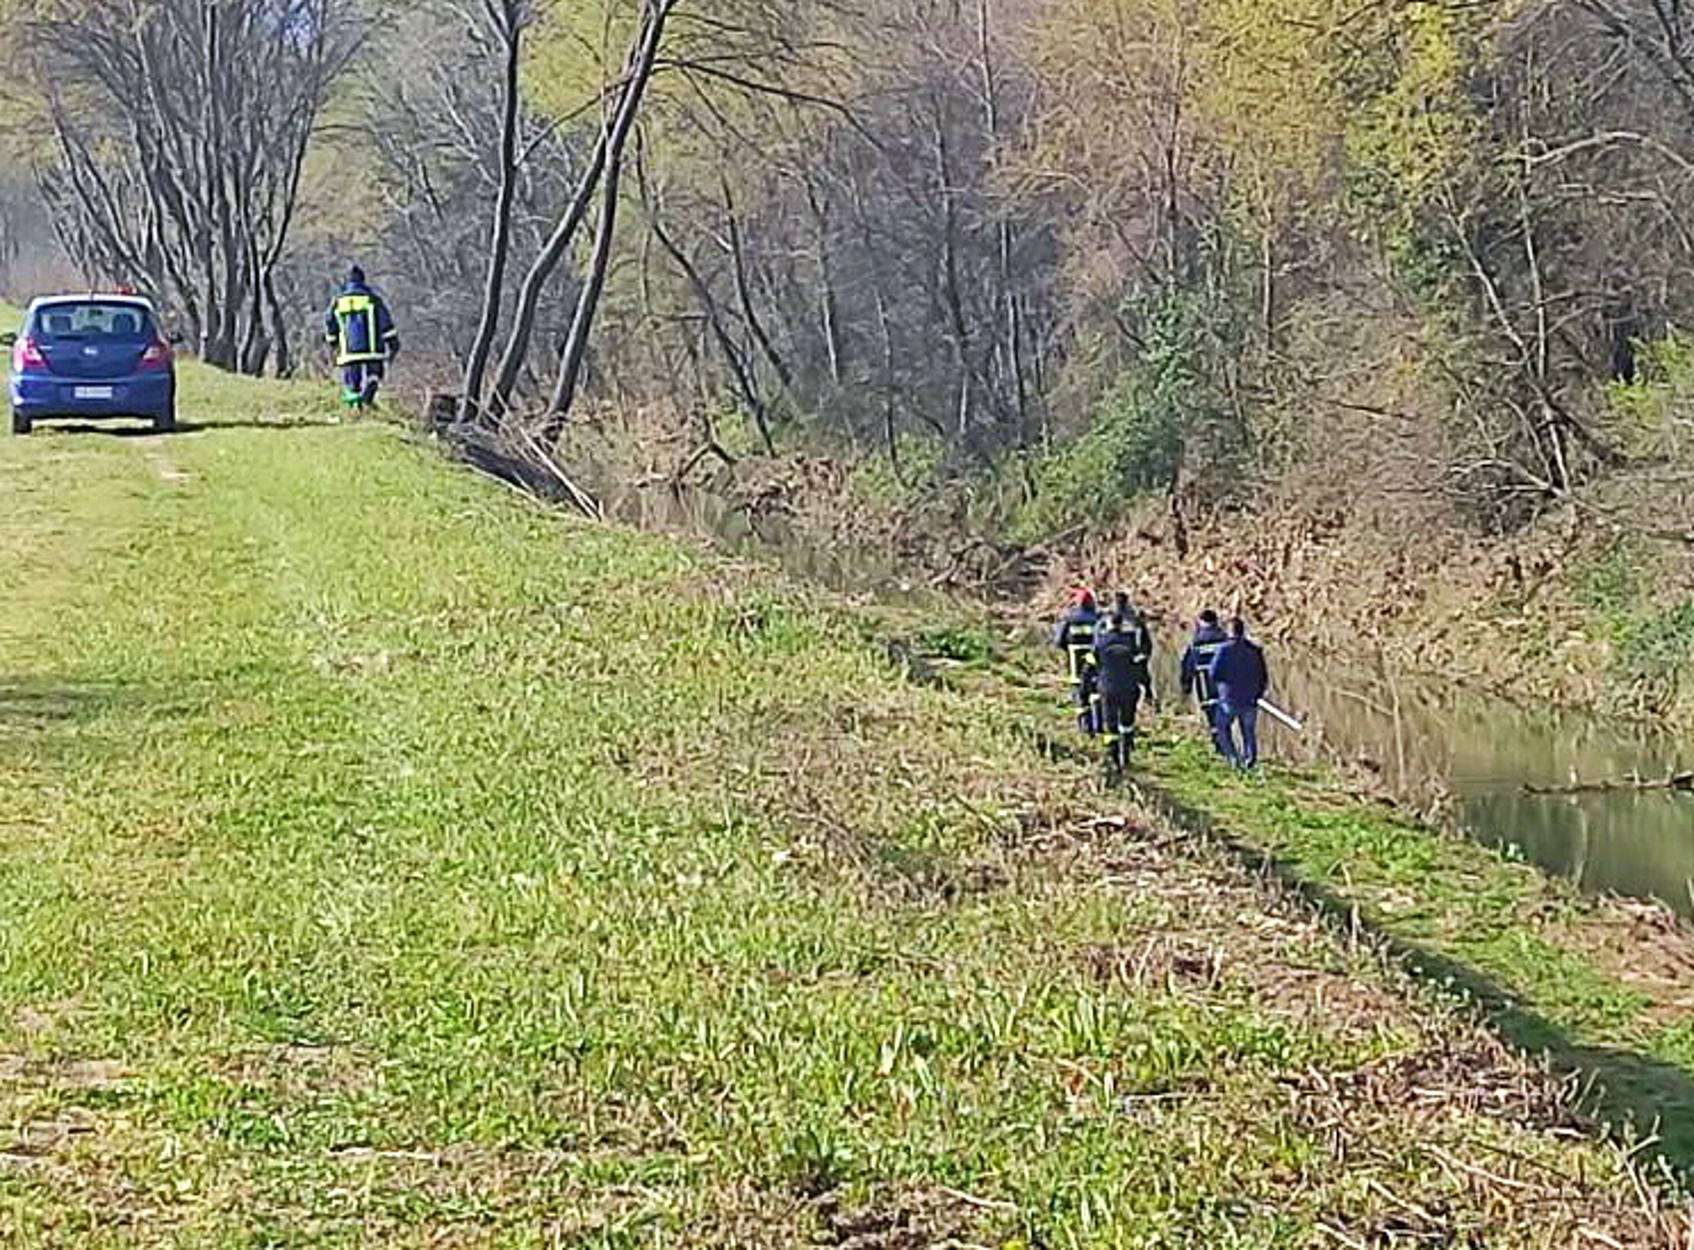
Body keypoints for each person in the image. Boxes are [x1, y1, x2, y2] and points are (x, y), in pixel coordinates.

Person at [324, 265, 399, 412]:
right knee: (374, 375)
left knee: (352, 382)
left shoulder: (338, 302)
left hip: (348, 352)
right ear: (363, 281)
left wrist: (333, 343)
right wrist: (393, 342)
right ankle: (367, 398)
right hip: (372, 350)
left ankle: (355, 409)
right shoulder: (372, 299)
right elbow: (386, 323)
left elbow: (329, 323)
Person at [1093, 601, 1157, 770]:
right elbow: (1141, 668)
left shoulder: (1101, 643)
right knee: (1127, 724)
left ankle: (1113, 758)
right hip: (1129, 688)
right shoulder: (1131, 644)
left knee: (1110, 725)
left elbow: (1091, 666)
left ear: (1108, 625)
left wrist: (1088, 688)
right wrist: (1148, 690)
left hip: (1107, 688)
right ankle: (1126, 755)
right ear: (1121, 625)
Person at [1209, 617, 1269, 770]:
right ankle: (1250, 759)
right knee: (1248, 731)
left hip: (1229, 698)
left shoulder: (1223, 649)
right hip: (1250, 699)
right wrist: (1258, 693)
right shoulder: (1255, 650)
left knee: (1222, 727)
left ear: (1229, 632)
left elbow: (1214, 673)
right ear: (1243, 631)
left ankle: (1233, 757)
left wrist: (1222, 685)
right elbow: (1263, 676)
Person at [1180, 609, 1230, 752]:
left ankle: (1218, 745)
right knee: (1224, 715)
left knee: (1212, 716)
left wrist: (1186, 685)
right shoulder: (1224, 638)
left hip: (1205, 685)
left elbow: (1188, 664)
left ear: (1201, 622)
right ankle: (1226, 742)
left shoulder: (1197, 641)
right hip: (1224, 685)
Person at [1054, 587, 1101, 735]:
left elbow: (1059, 641)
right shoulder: (1097, 619)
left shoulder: (1070, 619)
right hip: (1094, 663)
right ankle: (1098, 724)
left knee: (1080, 696)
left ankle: (1084, 727)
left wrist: (1068, 649)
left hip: (1075, 664)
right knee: (1095, 693)